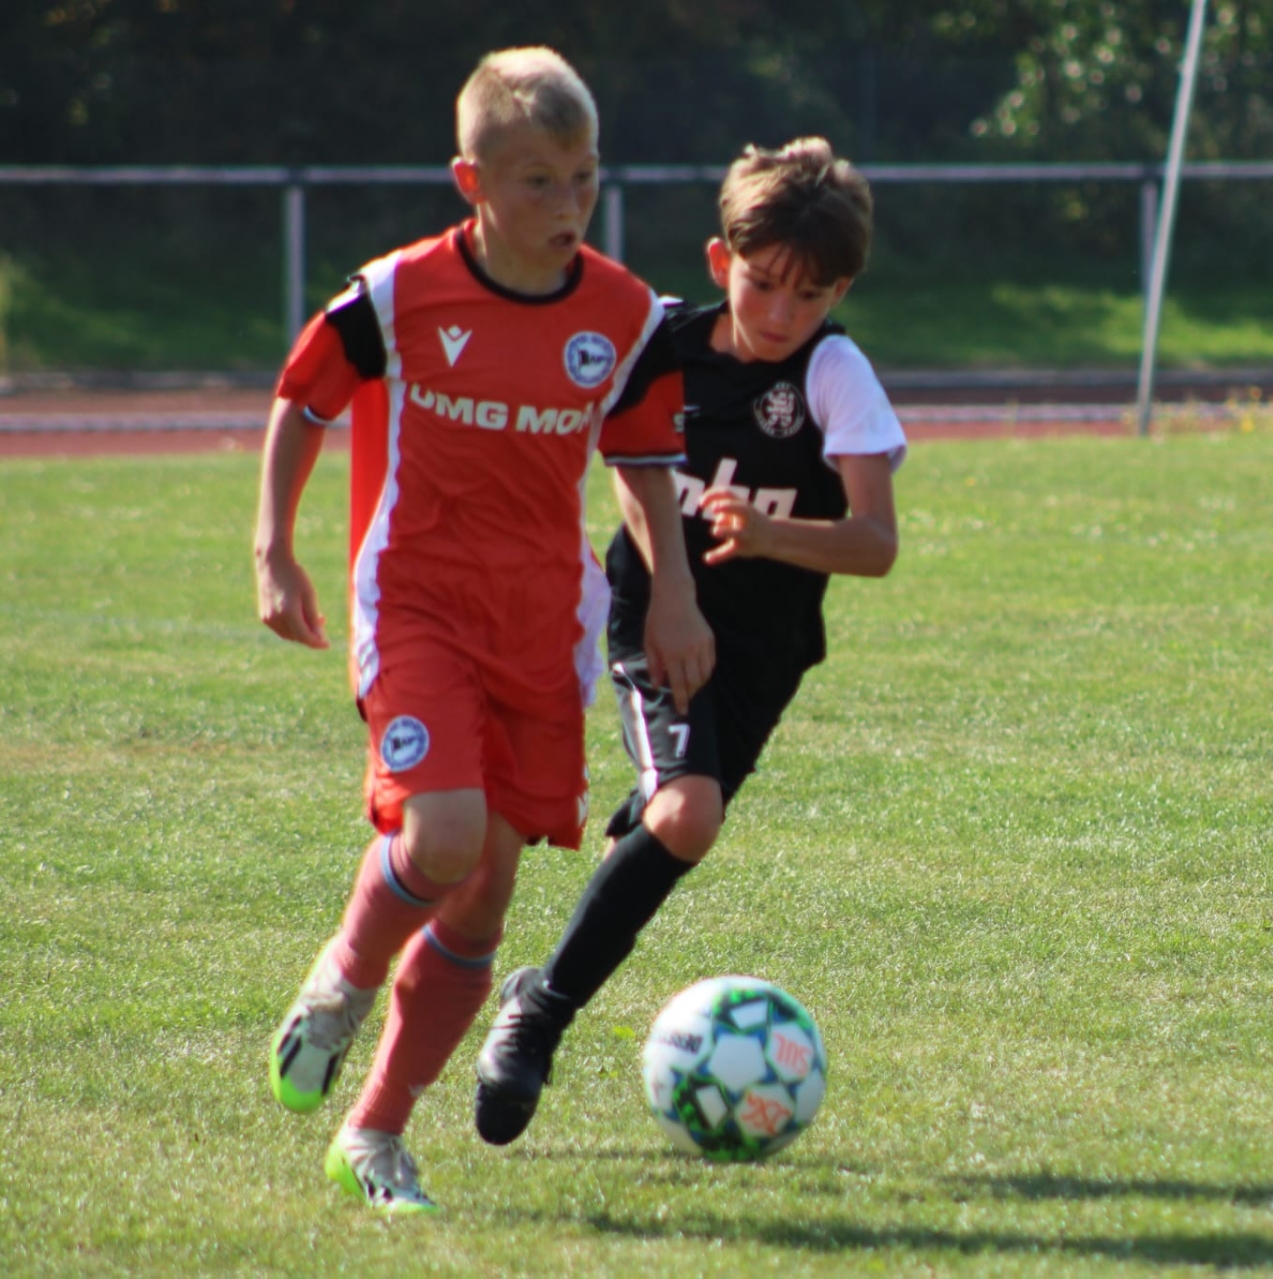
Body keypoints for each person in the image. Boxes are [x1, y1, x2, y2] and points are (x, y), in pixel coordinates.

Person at [254, 47, 713, 1214]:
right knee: (446, 831)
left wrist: (673, 592)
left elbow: (644, 464)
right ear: (473, 182)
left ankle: (374, 1136)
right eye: (538, 181)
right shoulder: (398, 294)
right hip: (416, 597)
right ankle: (344, 978)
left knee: (484, 894)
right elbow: (303, 398)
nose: (569, 203)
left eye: (584, 176)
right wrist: (273, 549)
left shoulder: (626, 315)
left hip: (542, 620)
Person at [472, 136, 906, 1146]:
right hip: (653, 616)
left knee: (670, 825)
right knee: (690, 813)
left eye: (809, 296)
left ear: (839, 291)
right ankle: (538, 1015)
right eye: (763, 285)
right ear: (723, 262)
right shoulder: (661, 340)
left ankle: (565, 945)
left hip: (764, 654)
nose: (781, 314)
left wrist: (767, 535)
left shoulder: (836, 371)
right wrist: (673, 590)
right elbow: (623, 459)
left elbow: (876, 543)